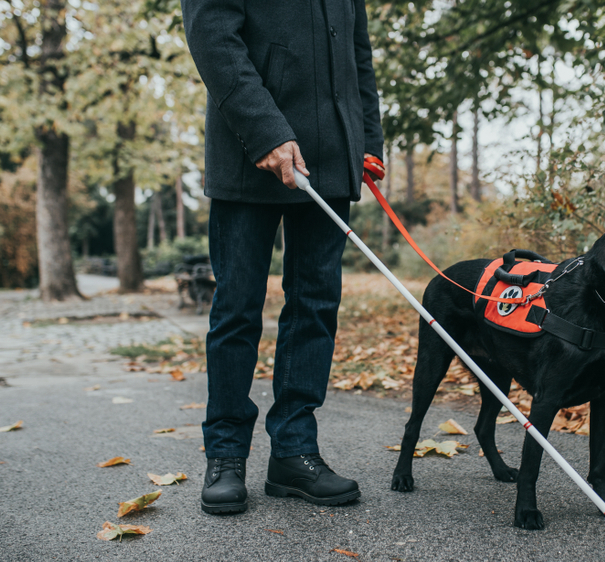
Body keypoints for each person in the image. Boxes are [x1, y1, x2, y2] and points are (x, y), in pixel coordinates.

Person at [181, 0, 384, 514]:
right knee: (237, 308)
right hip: (249, 154)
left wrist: (366, 141)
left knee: (315, 306)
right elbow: (213, 39)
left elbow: (357, 56)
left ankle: (294, 453)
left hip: (332, 162)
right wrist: (268, 132)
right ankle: (225, 455)